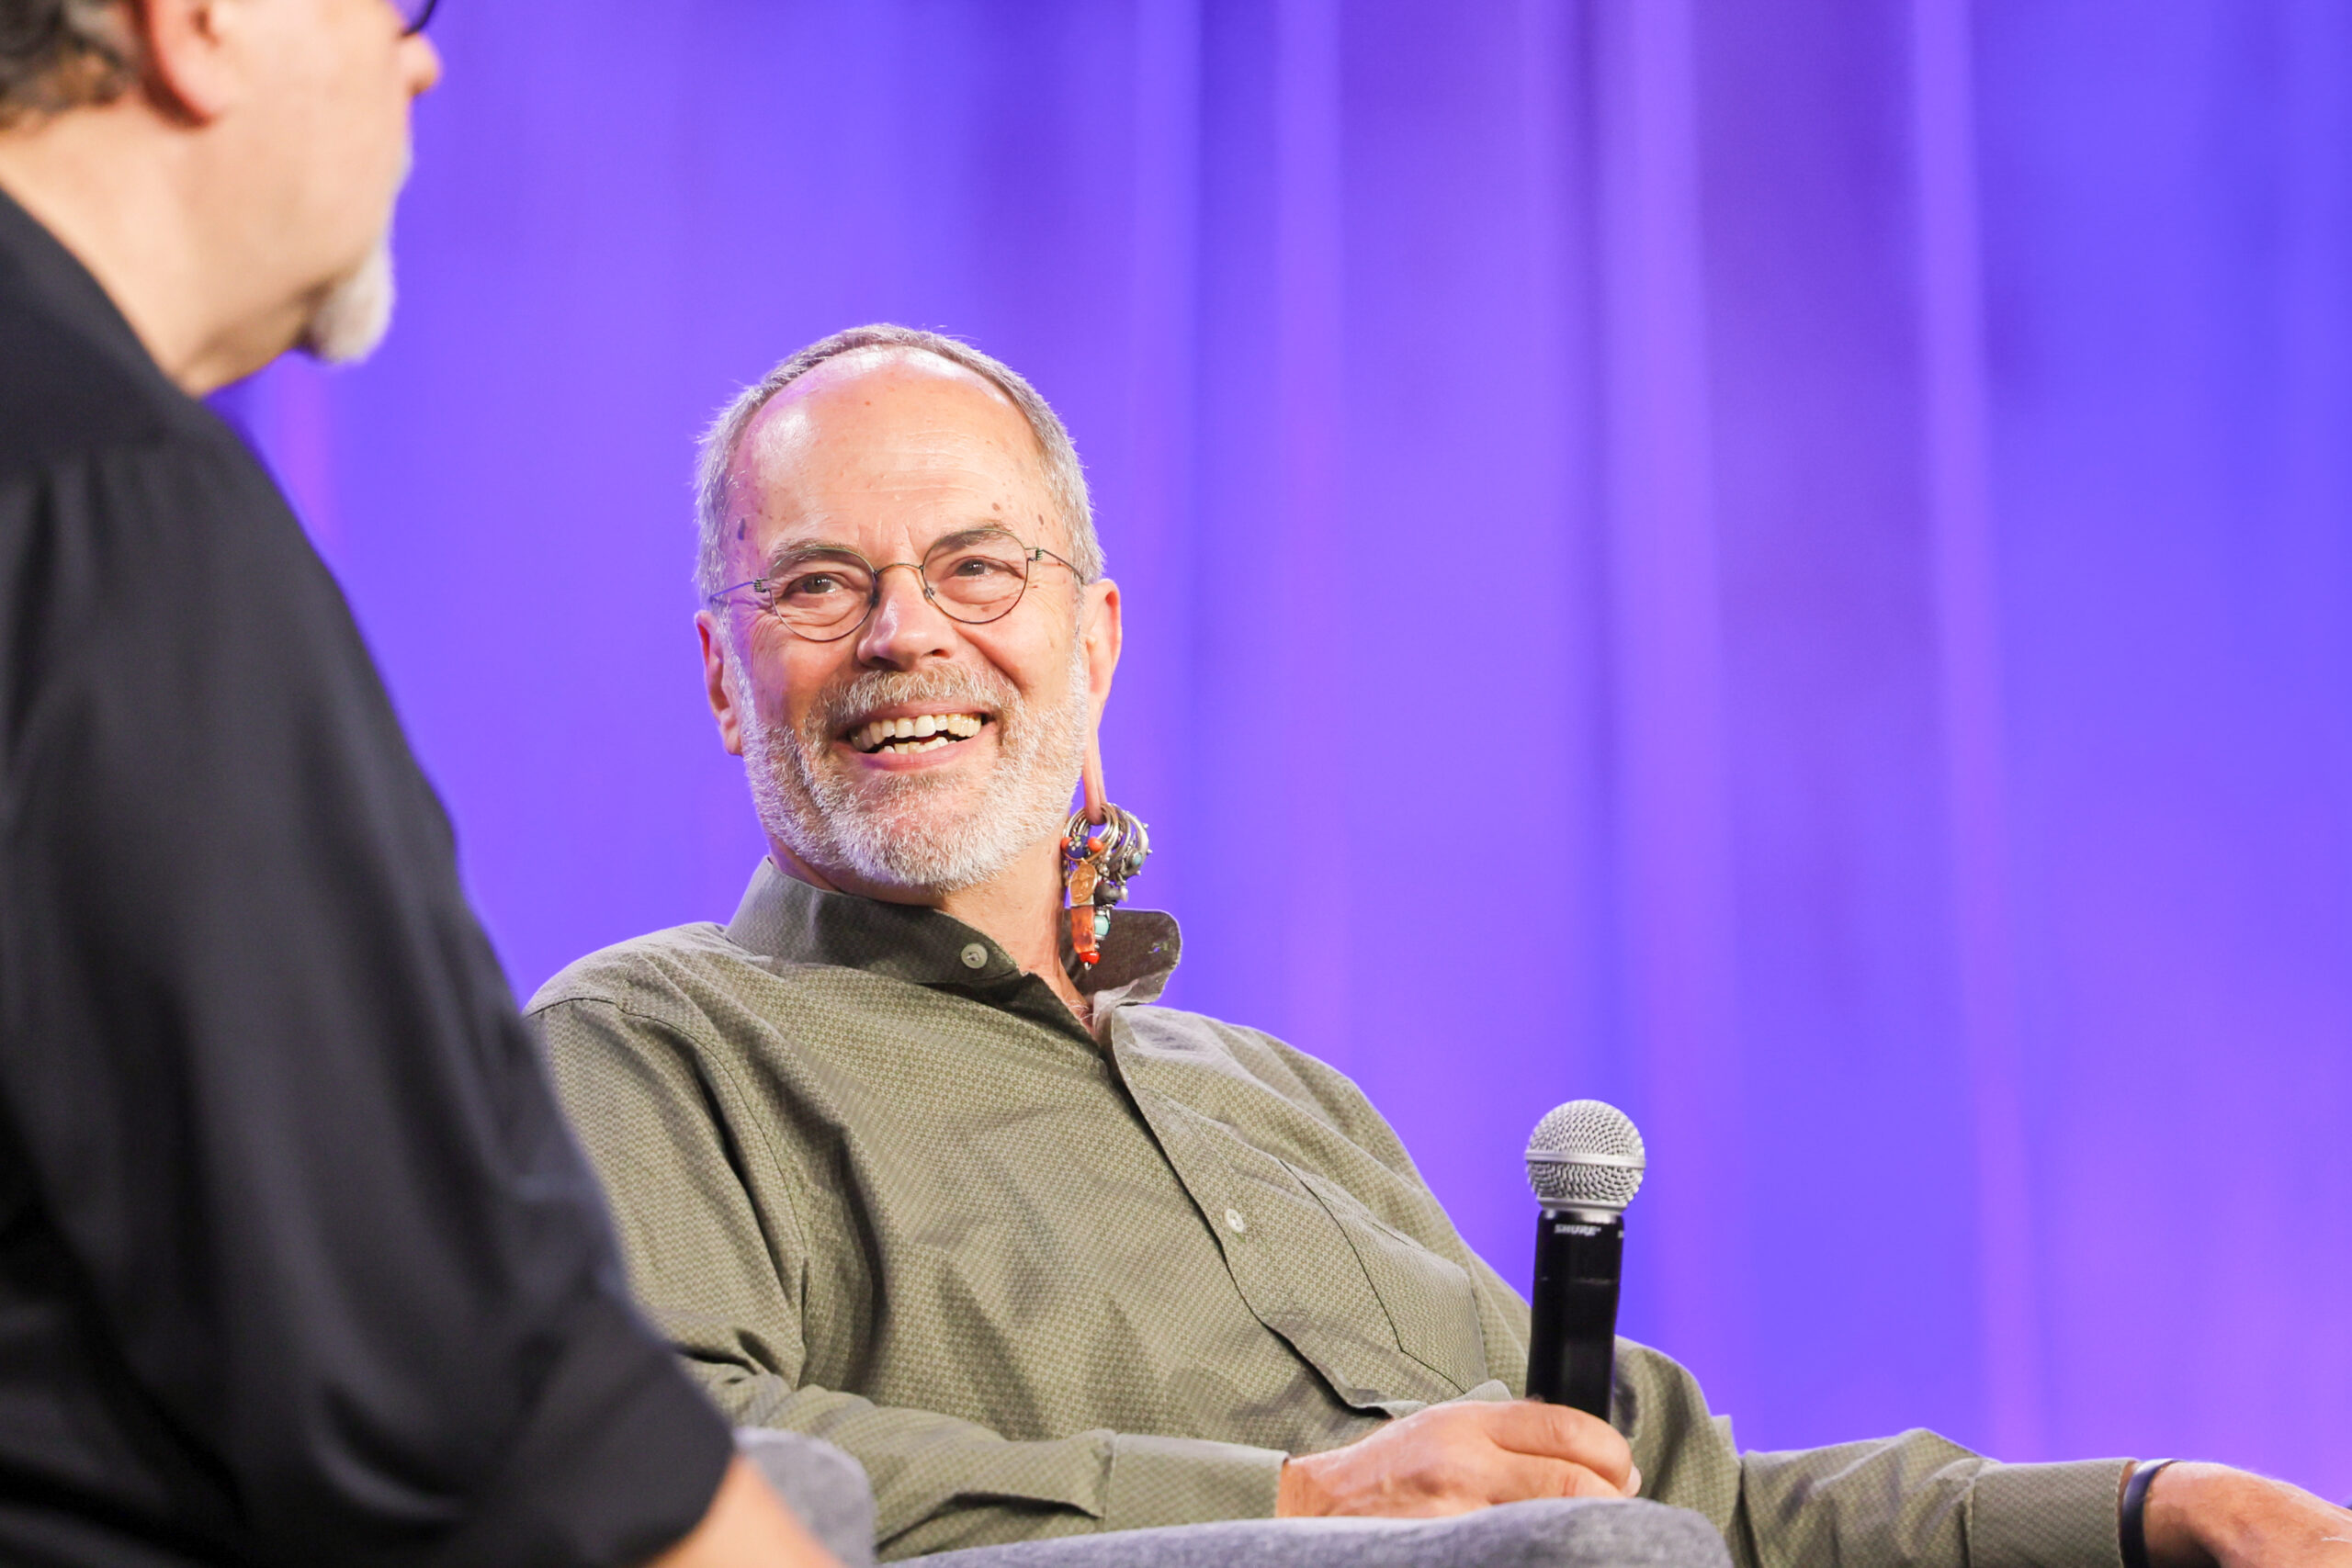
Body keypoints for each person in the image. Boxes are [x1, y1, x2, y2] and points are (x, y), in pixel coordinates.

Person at [528, 322, 2352, 1566]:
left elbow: (1691, 1500)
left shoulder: (1283, 1100)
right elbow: (666, 1454)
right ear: (721, 673)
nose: (905, 634)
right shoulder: (657, 1039)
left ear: (1090, 643)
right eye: (819, 583)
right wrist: (1295, 1497)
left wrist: (2136, 1508)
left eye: (976, 571)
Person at [0, 3, 840, 1563]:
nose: (425, 59)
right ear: (200, 25)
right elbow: (458, 1391)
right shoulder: (121, 509)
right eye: (396, 5)